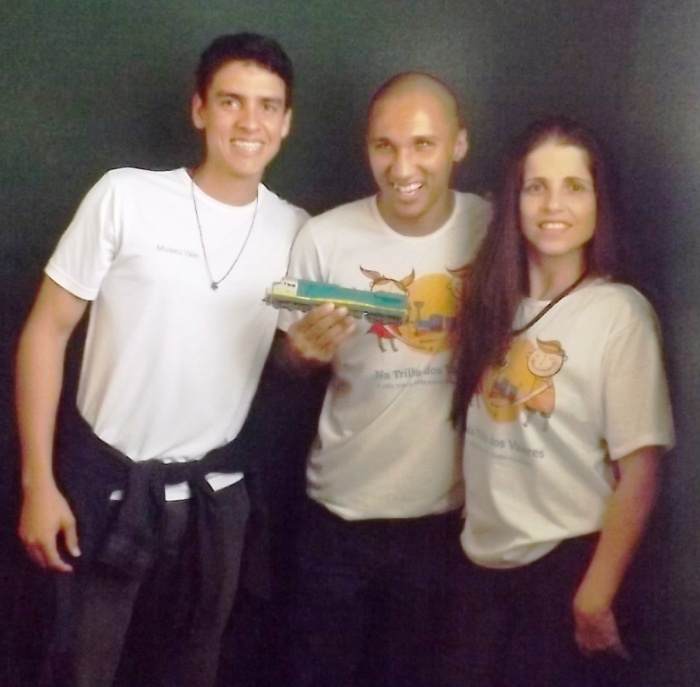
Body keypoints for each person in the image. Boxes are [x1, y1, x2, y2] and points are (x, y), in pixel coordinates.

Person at [15, 32, 307, 687]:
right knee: (79, 669)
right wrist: (39, 482)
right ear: (200, 109)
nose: (250, 122)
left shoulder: (298, 231)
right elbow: (45, 332)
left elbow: (295, 358)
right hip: (106, 490)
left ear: (287, 122)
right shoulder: (126, 196)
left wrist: (312, 352)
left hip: (214, 501)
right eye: (231, 101)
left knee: (191, 671)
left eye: (267, 106)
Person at [277, 72, 491, 686]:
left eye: (423, 144)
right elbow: (285, 360)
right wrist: (301, 354)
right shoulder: (323, 238)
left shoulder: (493, 229)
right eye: (384, 146)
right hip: (336, 516)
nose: (402, 167)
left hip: (445, 521)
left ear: (459, 144)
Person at [451, 116, 675, 686]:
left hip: (563, 569)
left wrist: (594, 595)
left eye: (574, 187)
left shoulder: (618, 314)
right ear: (514, 200)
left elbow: (640, 472)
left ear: (600, 201)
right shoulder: (490, 302)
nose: (554, 205)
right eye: (536, 187)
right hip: (480, 566)